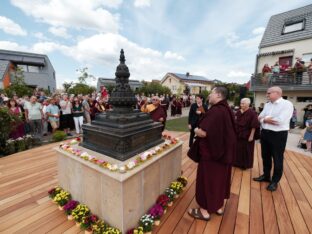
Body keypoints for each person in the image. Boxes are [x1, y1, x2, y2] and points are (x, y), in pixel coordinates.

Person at [188, 87, 236, 221]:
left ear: (219, 95)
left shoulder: (216, 111)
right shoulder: (227, 110)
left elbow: (204, 132)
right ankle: (218, 207)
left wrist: (196, 130)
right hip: (224, 154)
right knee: (220, 181)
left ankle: (204, 211)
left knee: (207, 181)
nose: (209, 95)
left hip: (212, 155)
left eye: (212, 93)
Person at [254, 86, 293, 191]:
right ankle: (266, 176)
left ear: (277, 93)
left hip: (278, 135)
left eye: (269, 93)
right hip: (265, 133)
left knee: (277, 158)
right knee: (265, 156)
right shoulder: (267, 105)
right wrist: (266, 119)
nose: (267, 95)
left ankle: (275, 181)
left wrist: (264, 119)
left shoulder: (287, 104)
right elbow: (258, 117)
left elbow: (280, 121)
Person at [234, 98, 259, 169]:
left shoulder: (252, 113)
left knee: (246, 150)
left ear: (248, 104)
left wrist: (251, 136)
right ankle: (236, 163)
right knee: (237, 149)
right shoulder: (238, 112)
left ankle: (245, 165)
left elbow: (254, 125)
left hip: (247, 134)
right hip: (238, 134)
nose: (241, 105)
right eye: (241, 103)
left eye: (243, 103)